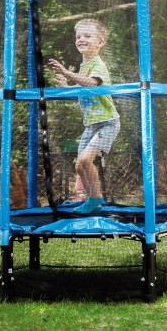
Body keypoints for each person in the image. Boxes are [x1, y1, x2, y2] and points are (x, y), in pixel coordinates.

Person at [49, 19, 120, 215]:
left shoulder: (98, 64)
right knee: (80, 164)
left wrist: (66, 72)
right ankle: (94, 200)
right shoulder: (84, 65)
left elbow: (91, 83)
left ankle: (95, 199)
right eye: (79, 36)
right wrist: (65, 87)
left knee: (85, 160)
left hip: (107, 123)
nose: (81, 39)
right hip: (91, 125)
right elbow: (83, 86)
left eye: (87, 36)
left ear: (100, 42)